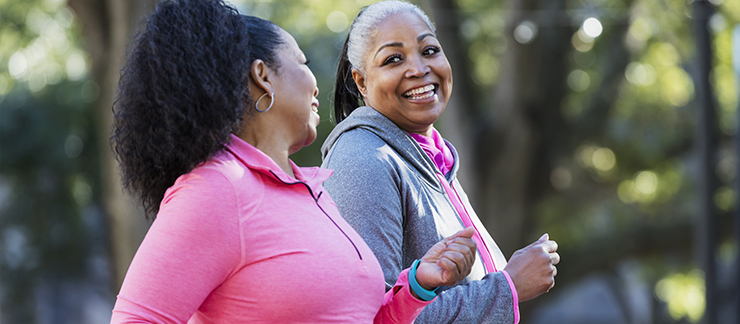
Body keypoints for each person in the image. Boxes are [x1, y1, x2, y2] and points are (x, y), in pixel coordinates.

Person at [109, 0, 479, 323]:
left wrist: (417, 286)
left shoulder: (312, 193)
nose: (316, 84)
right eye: (300, 62)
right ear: (263, 77)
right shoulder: (218, 188)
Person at [321, 1, 561, 323]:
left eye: (429, 50)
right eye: (393, 59)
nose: (419, 69)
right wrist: (509, 286)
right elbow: (376, 316)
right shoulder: (364, 159)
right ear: (362, 82)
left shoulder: (430, 156)